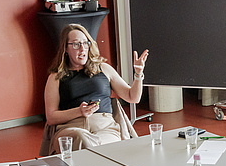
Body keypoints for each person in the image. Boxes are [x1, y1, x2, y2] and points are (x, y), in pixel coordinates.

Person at [42, 24, 148, 154]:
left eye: (85, 43)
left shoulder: (104, 69)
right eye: (76, 44)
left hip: (105, 129)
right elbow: (51, 117)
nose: (82, 48)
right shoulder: (55, 77)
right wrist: (79, 111)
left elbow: (133, 97)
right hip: (71, 129)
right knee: (82, 139)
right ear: (65, 49)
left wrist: (138, 74)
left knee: (94, 145)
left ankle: (93, 156)